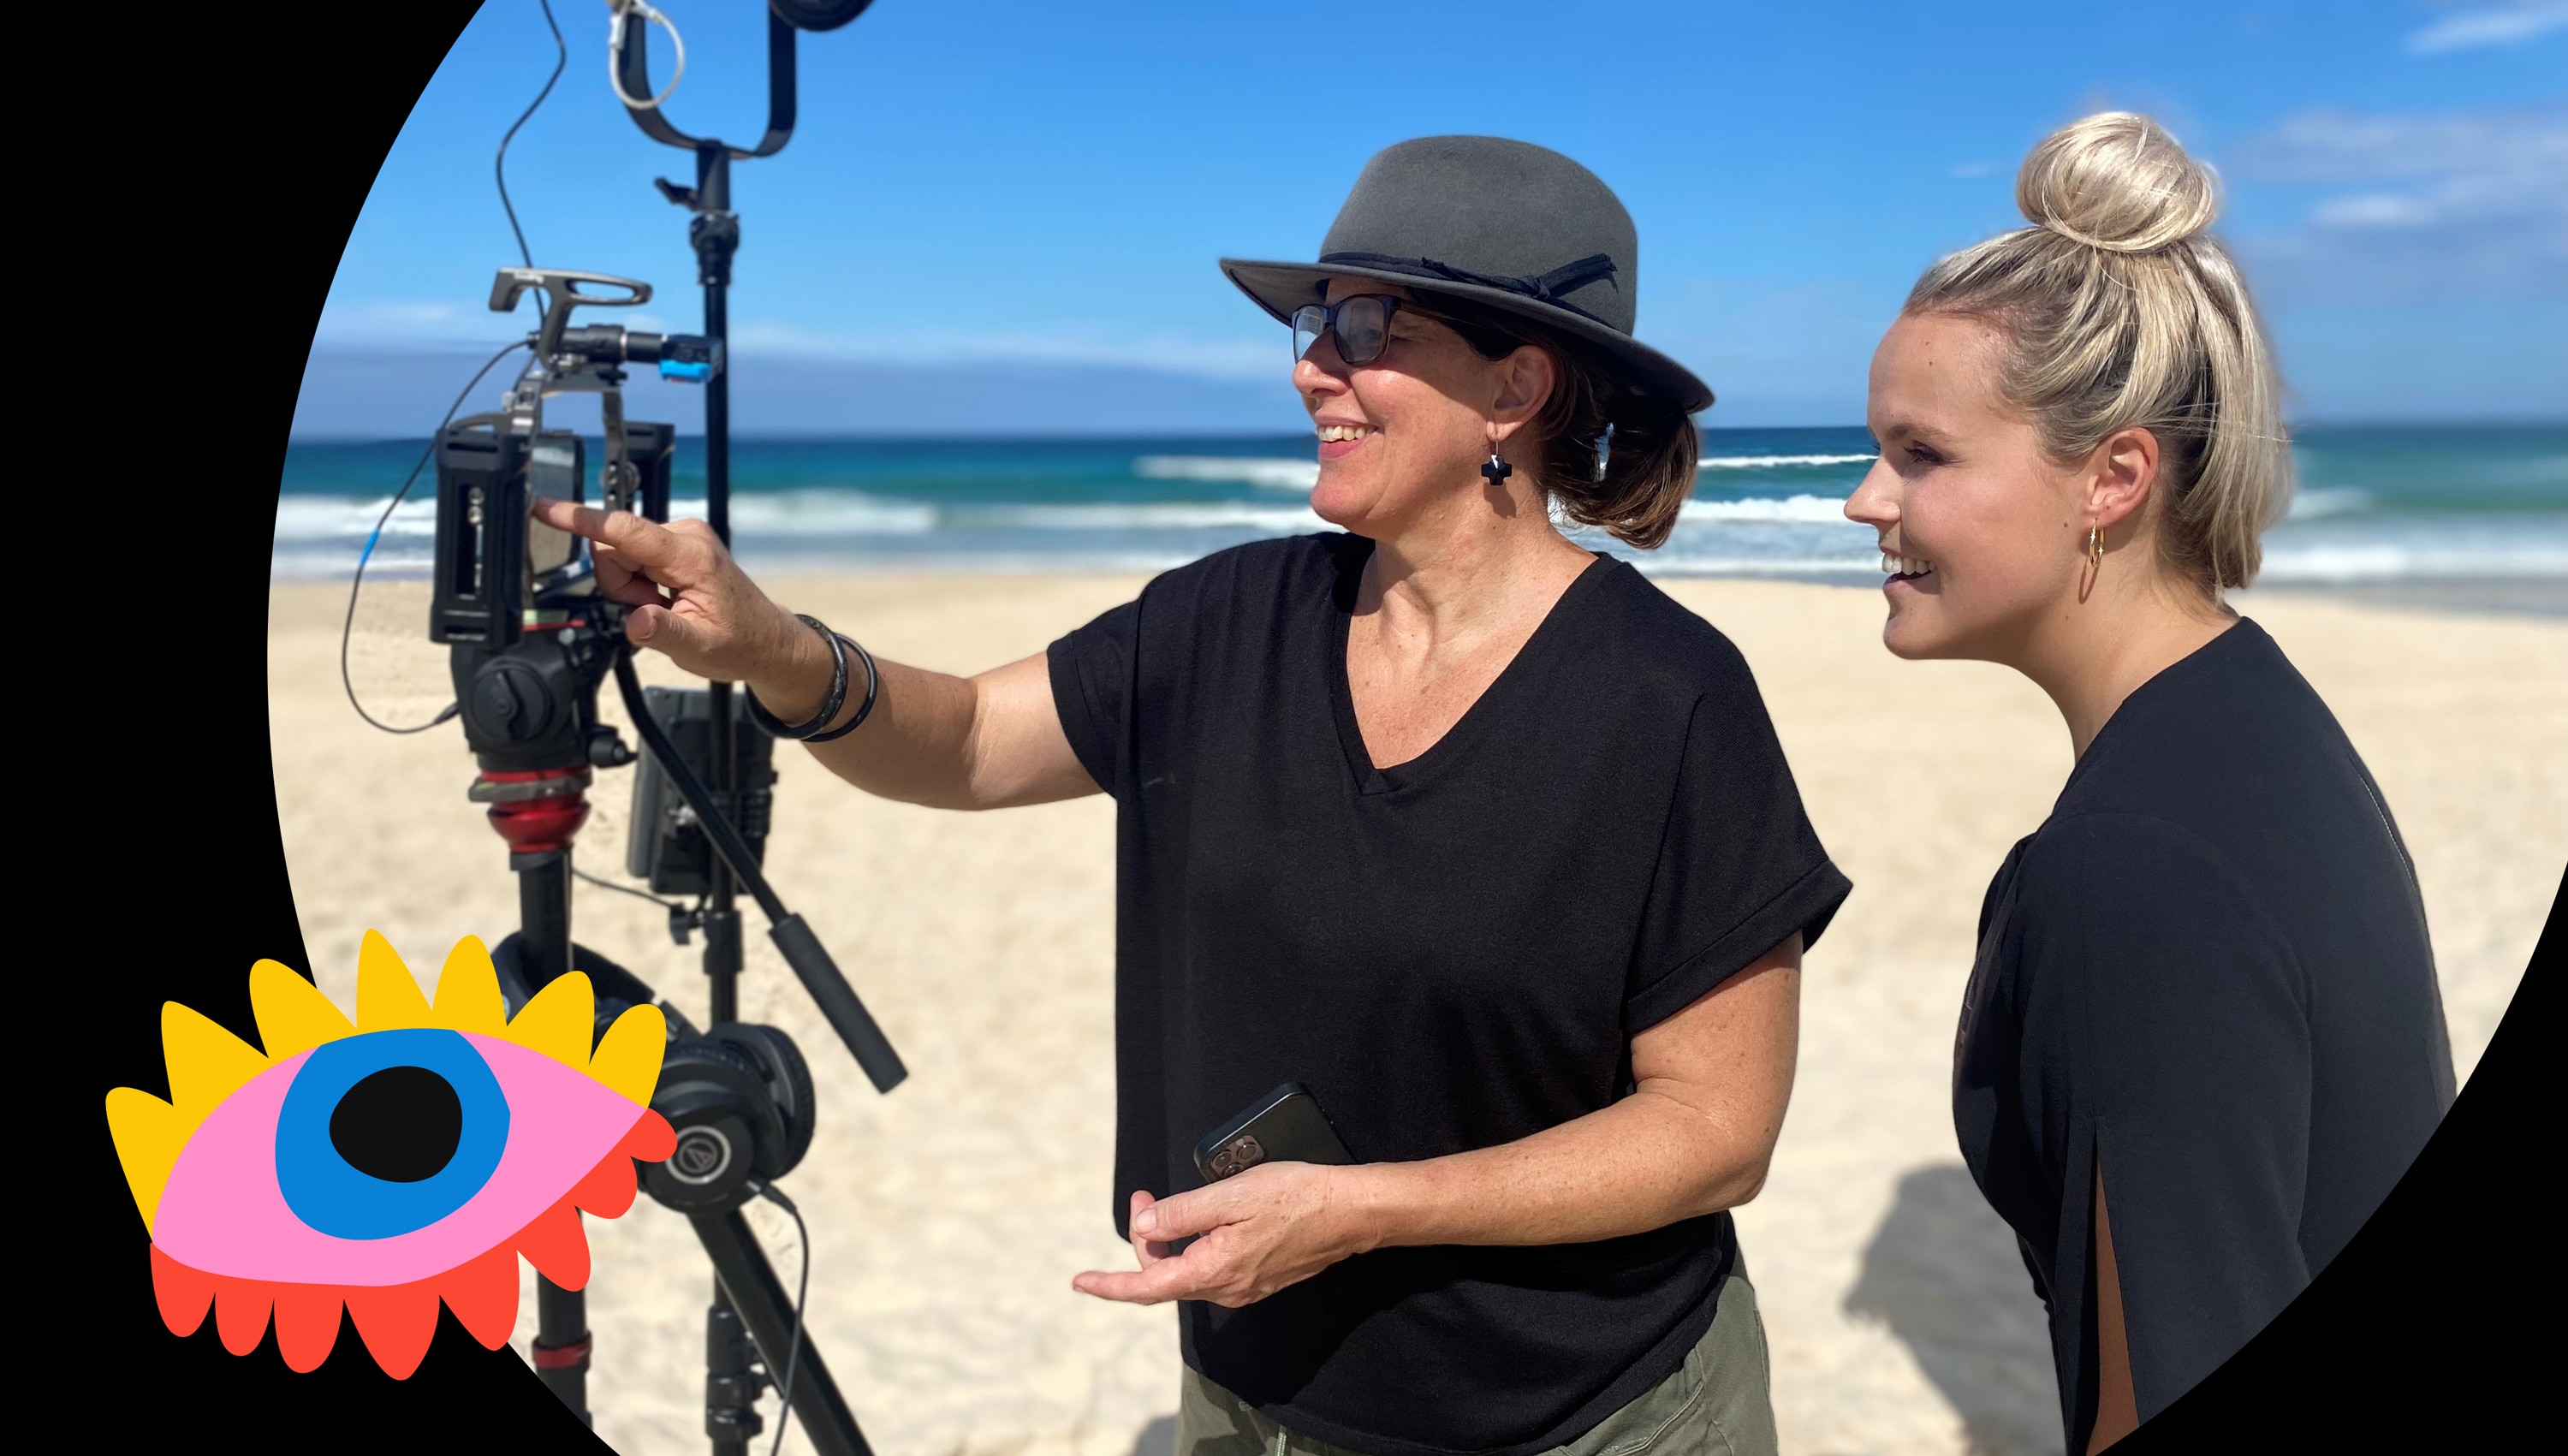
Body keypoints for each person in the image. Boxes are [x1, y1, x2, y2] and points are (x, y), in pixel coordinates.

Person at [539, 136, 1850, 1456]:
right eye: (1311, 320)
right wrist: (769, 647)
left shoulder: (1668, 698)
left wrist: (1366, 1208)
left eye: (1365, 326)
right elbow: (971, 737)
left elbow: (1713, 1129)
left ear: (1517, 383)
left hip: (1589, 1416)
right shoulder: (1230, 621)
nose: (1308, 365)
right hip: (1255, 1401)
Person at [1842, 113, 2456, 1453]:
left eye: (1921, 454)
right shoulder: (2260, 718)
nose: (1863, 499)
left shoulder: (2131, 866)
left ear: (2112, 477)